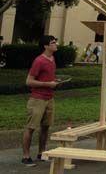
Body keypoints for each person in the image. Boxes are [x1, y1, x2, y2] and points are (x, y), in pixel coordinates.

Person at [22, 35, 59, 166]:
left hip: (49, 99)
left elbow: (47, 77)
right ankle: (26, 156)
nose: (56, 44)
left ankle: (41, 153)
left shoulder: (52, 59)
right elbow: (29, 81)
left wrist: (54, 81)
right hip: (37, 99)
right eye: (53, 43)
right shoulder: (39, 61)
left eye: (55, 42)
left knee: (45, 127)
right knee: (31, 127)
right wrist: (48, 84)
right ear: (46, 46)